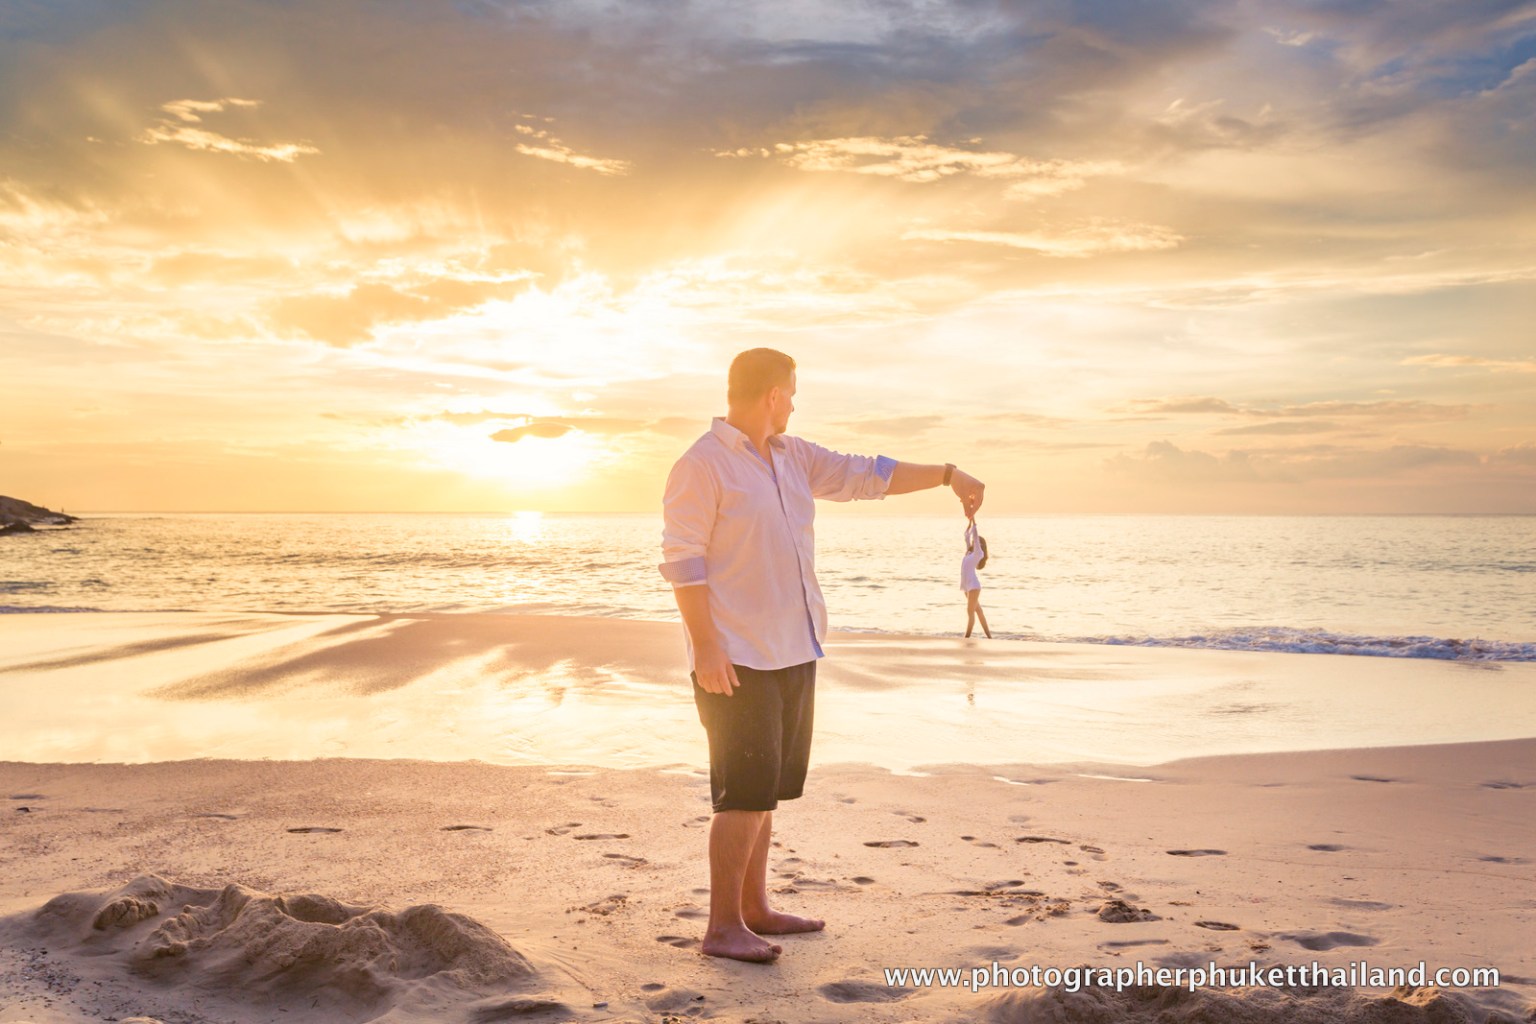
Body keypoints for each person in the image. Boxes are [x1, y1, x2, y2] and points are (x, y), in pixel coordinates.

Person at [658, 348, 985, 963]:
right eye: (793, 391)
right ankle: (722, 926)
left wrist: (947, 474)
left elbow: (870, 474)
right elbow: (684, 561)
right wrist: (704, 646)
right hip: (736, 656)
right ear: (774, 395)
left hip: (793, 647)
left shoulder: (792, 456)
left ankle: (755, 909)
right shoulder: (701, 466)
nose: (795, 401)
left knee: (769, 789)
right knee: (744, 792)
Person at [962, 518, 992, 639]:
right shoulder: (969, 552)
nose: (974, 542)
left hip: (973, 586)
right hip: (966, 586)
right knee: (978, 612)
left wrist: (974, 524)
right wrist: (969, 524)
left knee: (970, 612)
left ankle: (966, 637)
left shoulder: (978, 554)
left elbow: (975, 534)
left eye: (976, 541)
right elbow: (966, 537)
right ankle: (989, 636)